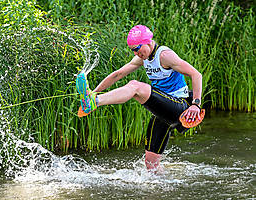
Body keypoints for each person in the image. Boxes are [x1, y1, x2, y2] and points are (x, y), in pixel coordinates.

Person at [76, 25, 202, 171]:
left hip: (180, 107)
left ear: (148, 42)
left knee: (135, 87)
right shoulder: (142, 58)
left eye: (137, 48)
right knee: (151, 164)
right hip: (163, 112)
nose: (136, 53)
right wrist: (93, 92)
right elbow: (118, 74)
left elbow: (196, 74)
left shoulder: (165, 55)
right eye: (133, 50)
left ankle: (95, 102)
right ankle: (160, 188)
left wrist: (196, 104)